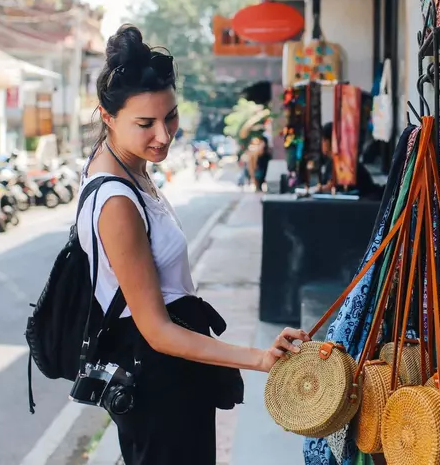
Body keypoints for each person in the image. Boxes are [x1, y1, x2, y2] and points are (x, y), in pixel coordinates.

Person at [79, 24, 308, 464]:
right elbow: (157, 329)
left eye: (170, 116)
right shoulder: (116, 202)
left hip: (176, 370)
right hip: (158, 380)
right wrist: (258, 358)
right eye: (145, 123)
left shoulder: (129, 168)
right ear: (107, 117)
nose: (163, 135)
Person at [316, 122, 381, 198]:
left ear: (328, 142)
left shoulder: (349, 166)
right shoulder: (330, 165)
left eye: (322, 140)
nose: (321, 144)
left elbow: (346, 190)